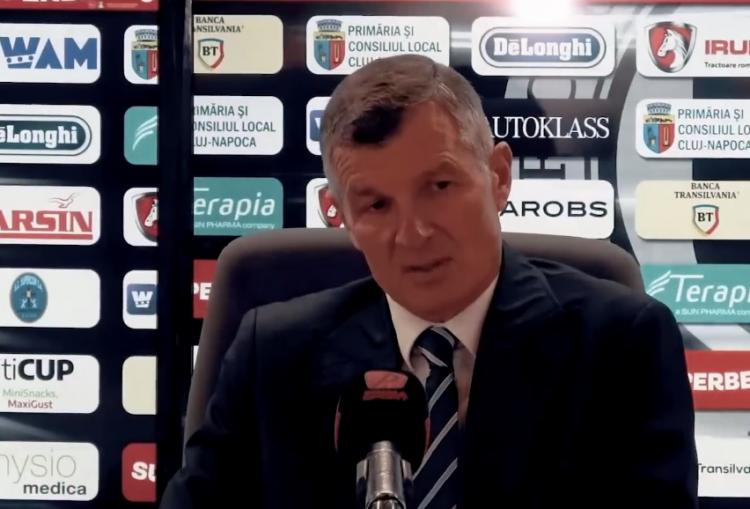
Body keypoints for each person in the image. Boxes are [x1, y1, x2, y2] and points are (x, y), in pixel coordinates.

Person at [161, 54, 698, 509]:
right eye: (376, 205)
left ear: (498, 177)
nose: (413, 233)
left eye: (439, 186)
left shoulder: (622, 344)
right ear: (341, 217)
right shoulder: (273, 355)